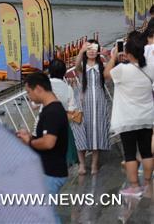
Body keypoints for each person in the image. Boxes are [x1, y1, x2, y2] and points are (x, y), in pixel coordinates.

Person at [105, 32, 154, 196]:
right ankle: (148, 182)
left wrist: (112, 57)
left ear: (128, 52)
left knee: (130, 153)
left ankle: (134, 186)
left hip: (128, 119)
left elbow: (106, 74)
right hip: (147, 116)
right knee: (146, 150)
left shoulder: (121, 70)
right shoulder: (150, 67)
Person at [17, 72, 69, 195]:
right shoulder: (50, 109)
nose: (29, 96)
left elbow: (48, 142)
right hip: (49, 172)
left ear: (39, 89)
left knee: (44, 212)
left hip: (51, 174)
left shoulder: (53, 111)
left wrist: (29, 142)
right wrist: (30, 137)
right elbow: (46, 138)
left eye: (29, 92)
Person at [71, 40, 111, 174]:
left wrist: (108, 56)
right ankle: (82, 165)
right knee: (81, 132)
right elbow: (76, 66)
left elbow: (111, 72)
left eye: (94, 48)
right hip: (83, 102)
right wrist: (81, 51)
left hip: (99, 102)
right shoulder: (83, 65)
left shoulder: (102, 65)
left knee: (97, 132)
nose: (92, 51)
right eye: (89, 49)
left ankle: (94, 164)